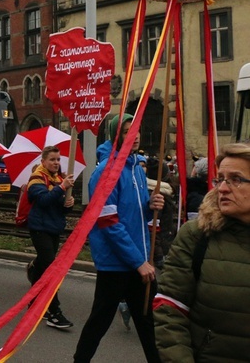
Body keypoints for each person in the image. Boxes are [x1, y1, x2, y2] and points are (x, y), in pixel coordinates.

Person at [74, 114, 164, 363]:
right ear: (115, 136)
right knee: (99, 322)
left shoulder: (136, 167)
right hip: (116, 264)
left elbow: (132, 212)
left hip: (138, 260)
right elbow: (108, 222)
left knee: (149, 324)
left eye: (135, 130)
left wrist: (151, 205)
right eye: (126, 132)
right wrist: (139, 262)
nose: (133, 136)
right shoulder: (105, 172)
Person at [153, 143, 250, 361]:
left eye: (235, 179)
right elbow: (170, 310)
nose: (222, 188)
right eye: (221, 179)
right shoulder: (198, 235)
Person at [25, 145, 75, 329]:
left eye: (58, 159)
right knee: (51, 271)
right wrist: (61, 188)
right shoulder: (37, 178)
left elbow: (60, 207)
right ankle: (54, 312)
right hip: (40, 228)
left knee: (45, 265)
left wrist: (68, 203)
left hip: (54, 228)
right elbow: (44, 200)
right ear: (43, 161)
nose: (56, 163)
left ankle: (33, 300)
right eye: (52, 159)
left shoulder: (59, 178)